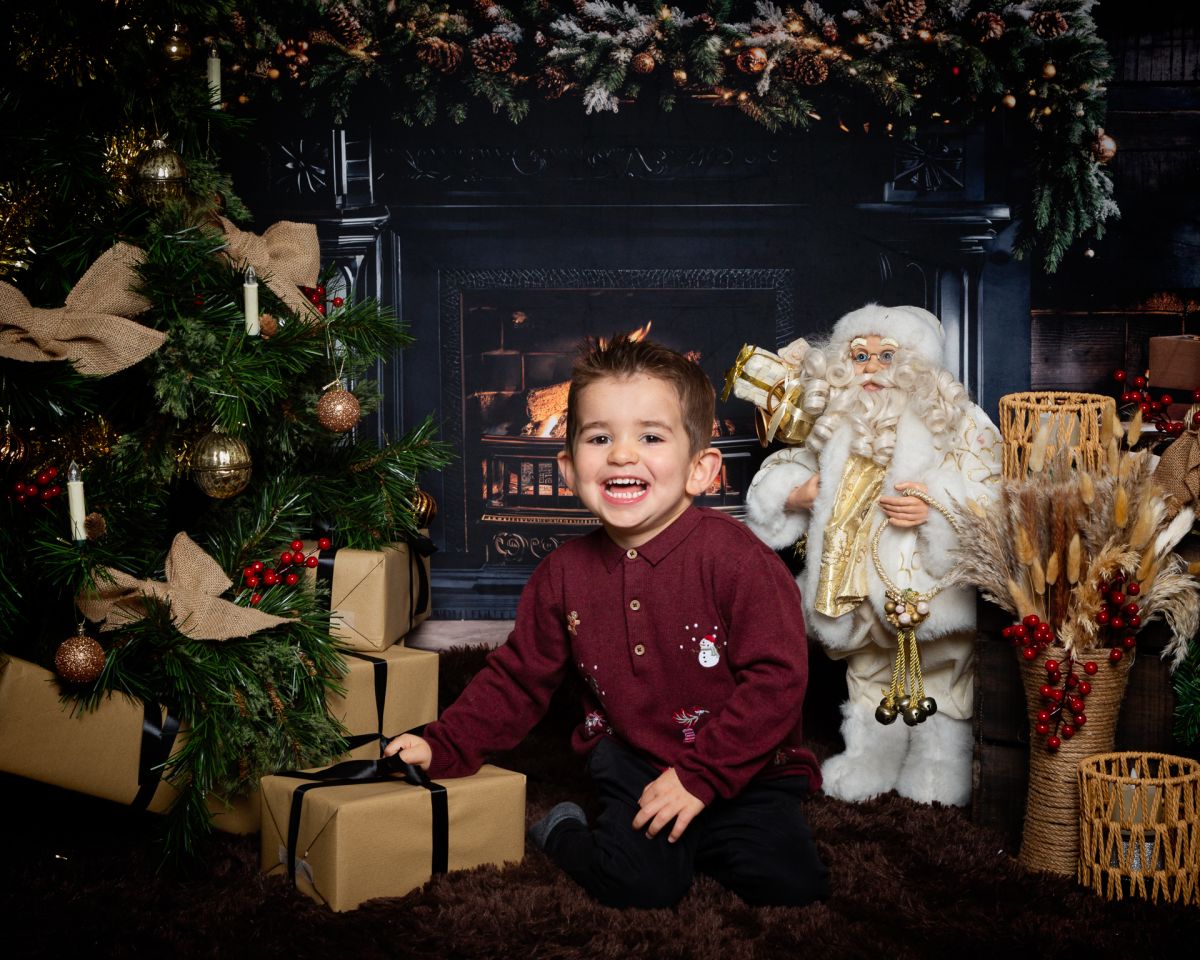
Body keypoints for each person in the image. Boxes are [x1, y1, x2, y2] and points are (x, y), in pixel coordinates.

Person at [386, 334, 828, 909]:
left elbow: (778, 681)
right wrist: (443, 745)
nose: (622, 454)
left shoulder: (741, 560)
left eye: (650, 436)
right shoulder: (562, 574)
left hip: (746, 767)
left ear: (701, 469)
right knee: (640, 884)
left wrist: (701, 779)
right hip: (636, 758)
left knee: (792, 885)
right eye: (600, 437)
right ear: (569, 468)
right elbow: (517, 679)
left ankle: (703, 834)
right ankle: (564, 832)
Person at [744, 304, 1001, 807]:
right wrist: (791, 495)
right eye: (859, 355)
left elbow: (992, 484)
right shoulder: (836, 421)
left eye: (887, 355)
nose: (872, 367)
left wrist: (935, 508)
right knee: (867, 671)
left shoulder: (955, 418)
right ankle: (871, 757)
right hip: (855, 578)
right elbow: (790, 464)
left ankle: (937, 762)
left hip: (927, 582)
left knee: (941, 670)